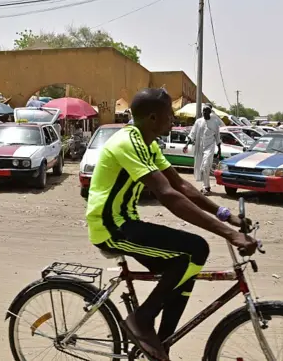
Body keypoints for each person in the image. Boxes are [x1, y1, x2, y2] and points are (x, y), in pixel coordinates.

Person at [85, 88, 257, 360]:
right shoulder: (128, 142)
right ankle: (141, 321)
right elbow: (167, 195)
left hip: (127, 221)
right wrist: (230, 234)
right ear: (153, 118)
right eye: (170, 115)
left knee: (187, 263)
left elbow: (181, 185)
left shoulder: (149, 143)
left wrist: (226, 215)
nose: (173, 120)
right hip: (110, 227)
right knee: (194, 249)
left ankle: (161, 346)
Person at [183, 105, 222, 195]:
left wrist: (219, 151)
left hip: (210, 147)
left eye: (206, 111)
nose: (204, 113)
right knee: (202, 168)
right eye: (203, 111)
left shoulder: (215, 122)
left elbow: (217, 137)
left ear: (210, 112)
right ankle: (207, 186)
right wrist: (186, 145)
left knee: (205, 166)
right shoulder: (198, 122)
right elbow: (192, 133)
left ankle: (206, 188)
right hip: (200, 147)